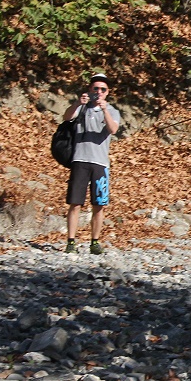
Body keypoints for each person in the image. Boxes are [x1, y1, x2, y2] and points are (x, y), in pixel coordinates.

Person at [63, 73, 121, 255]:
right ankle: (71, 241)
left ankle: (94, 241)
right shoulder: (82, 107)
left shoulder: (112, 110)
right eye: (96, 88)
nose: (99, 92)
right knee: (75, 203)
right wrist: (77, 103)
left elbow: (113, 129)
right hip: (80, 160)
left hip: (100, 163)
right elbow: (66, 117)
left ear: (107, 92)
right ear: (90, 89)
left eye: (103, 89)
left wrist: (104, 110)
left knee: (99, 204)